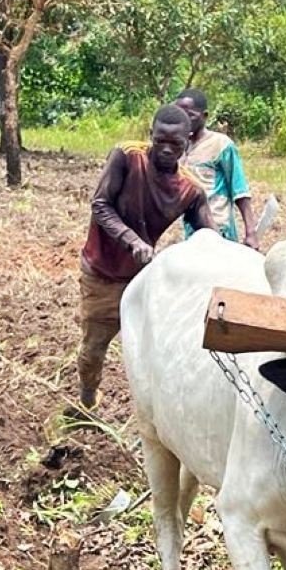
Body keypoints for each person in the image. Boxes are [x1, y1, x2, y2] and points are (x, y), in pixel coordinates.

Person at [74, 105, 219, 412]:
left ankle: (160, 411)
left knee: (156, 349)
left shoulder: (190, 189)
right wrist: (132, 241)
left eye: (176, 144)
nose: (167, 149)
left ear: (188, 141)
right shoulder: (128, 156)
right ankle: (88, 397)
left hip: (145, 278)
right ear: (151, 135)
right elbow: (101, 206)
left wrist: (232, 254)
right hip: (104, 271)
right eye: (161, 140)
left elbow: (210, 236)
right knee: (93, 349)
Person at [171, 88, 258, 248]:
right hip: (192, 230)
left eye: (190, 115)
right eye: (179, 115)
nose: (184, 121)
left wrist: (251, 233)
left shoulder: (221, 145)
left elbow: (240, 191)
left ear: (204, 116)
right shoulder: (179, 147)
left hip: (219, 229)